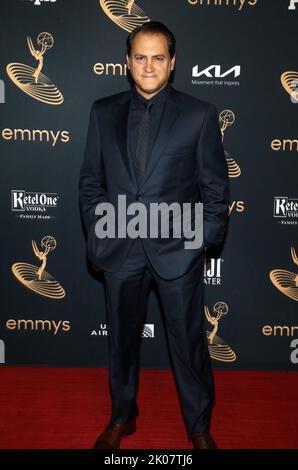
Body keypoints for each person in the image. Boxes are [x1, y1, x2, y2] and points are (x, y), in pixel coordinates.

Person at [79, 21, 229, 450]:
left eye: (158, 57)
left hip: (177, 250)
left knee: (188, 343)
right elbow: (90, 182)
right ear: (127, 62)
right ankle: (123, 416)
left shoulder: (199, 114)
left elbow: (216, 189)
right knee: (122, 341)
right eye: (140, 57)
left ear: (173, 62)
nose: (149, 66)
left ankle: (198, 425)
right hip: (120, 247)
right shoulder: (102, 111)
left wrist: (201, 242)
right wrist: (98, 236)